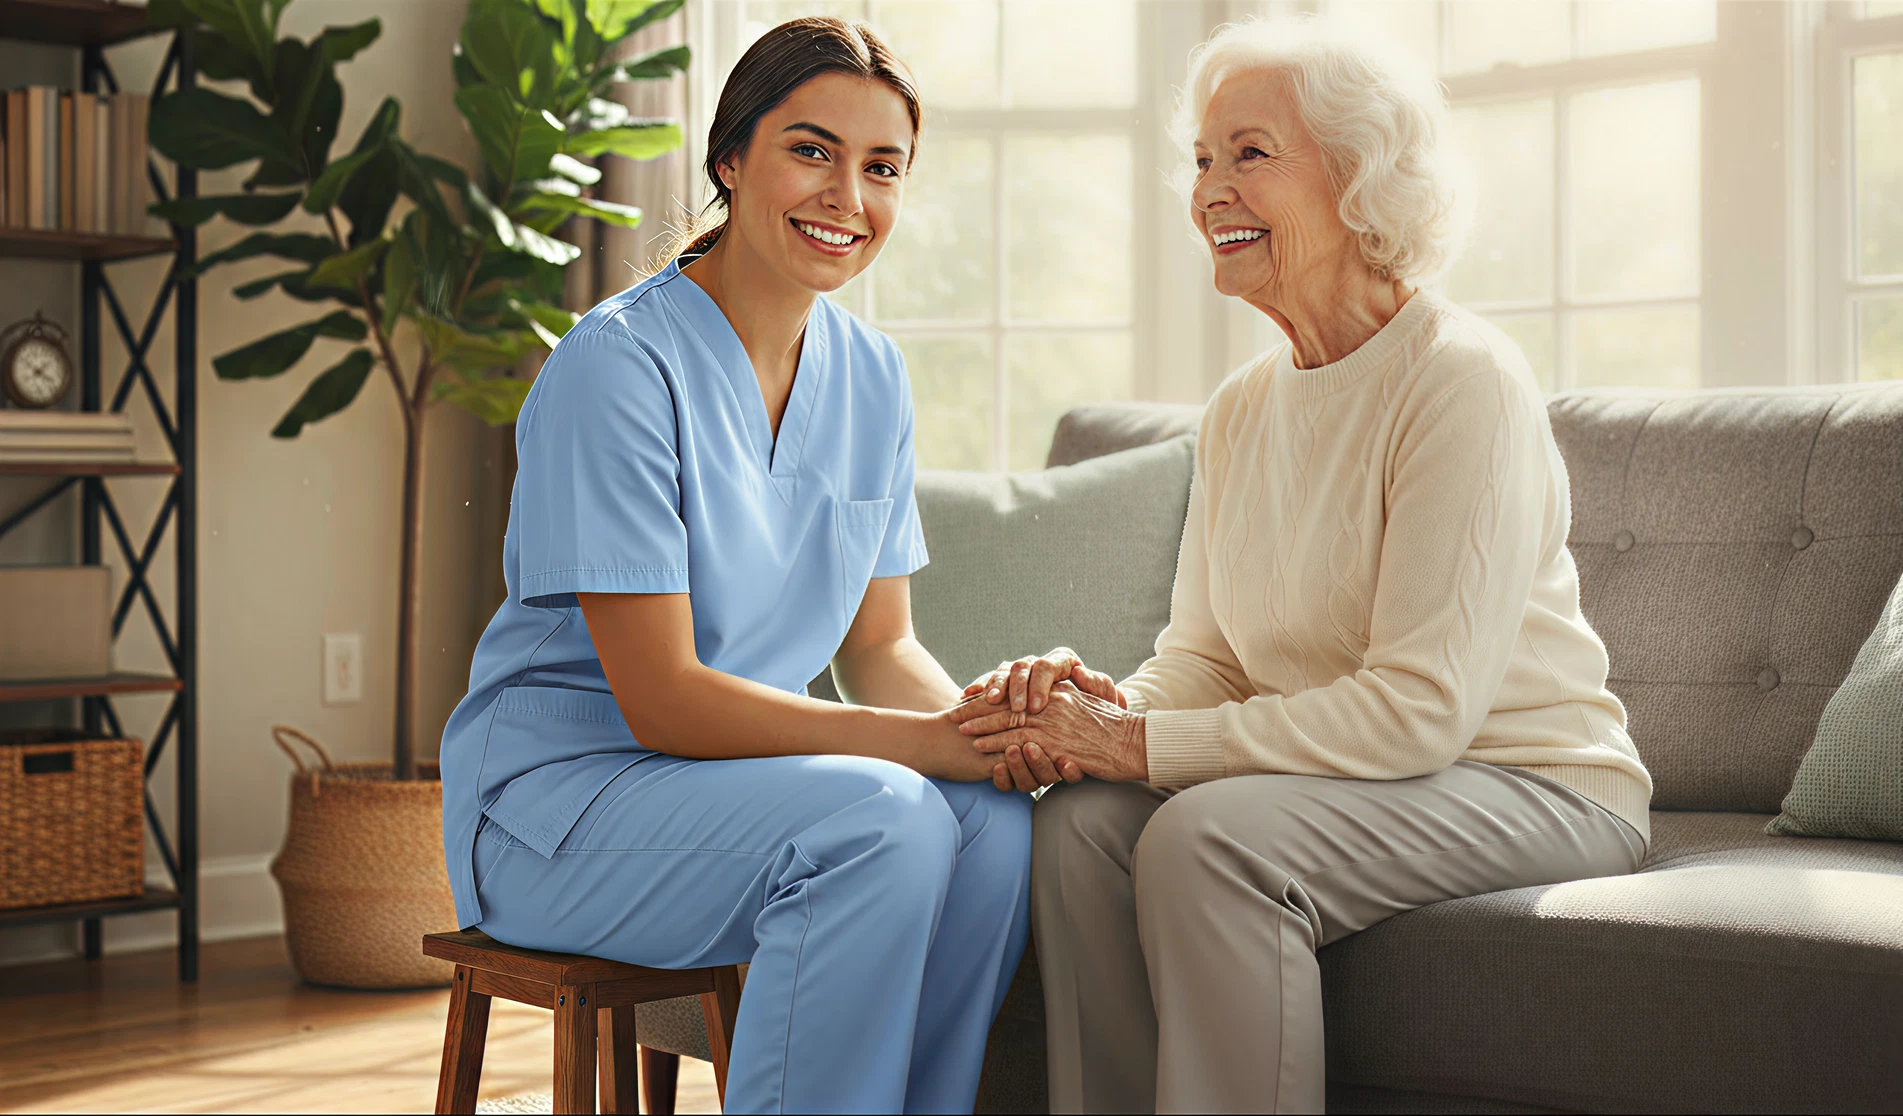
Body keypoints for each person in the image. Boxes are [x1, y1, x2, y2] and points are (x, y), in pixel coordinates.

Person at [953, 17, 1655, 1114]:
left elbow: (1419, 710)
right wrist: (1098, 714)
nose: (1210, 190)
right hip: (1372, 778)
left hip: (1533, 780)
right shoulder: (1239, 410)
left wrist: (1135, 743)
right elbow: (1210, 657)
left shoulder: (1459, 379)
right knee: (1079, 823)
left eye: (1249, 153)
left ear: (1361, 177)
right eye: (1199, 160)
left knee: (1207, 839)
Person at [437, 18, 1030, 1114]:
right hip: (558, 814)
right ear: (729, 160)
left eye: (881, 167)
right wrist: (918, 749)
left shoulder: (873, 377)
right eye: (812, 150)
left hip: (728, 794)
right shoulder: (614, 368)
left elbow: (881, 644)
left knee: (991, 821)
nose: (847, 195)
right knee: (885, 818)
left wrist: (987, 741)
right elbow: (662, 700)